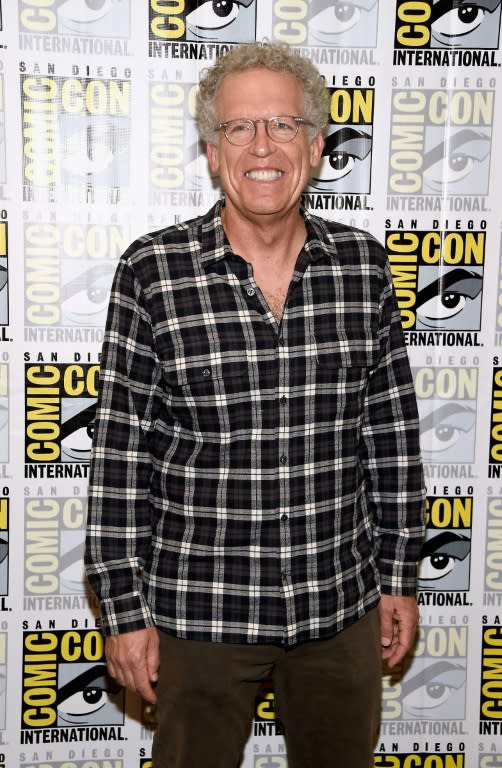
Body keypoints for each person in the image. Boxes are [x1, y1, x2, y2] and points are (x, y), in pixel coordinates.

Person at [85, 41, 426, 768]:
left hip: (340, 606)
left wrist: (398, 575)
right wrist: (121, 612)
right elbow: (119, 455)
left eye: (283, 124)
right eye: (240, 128)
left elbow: (391, 437)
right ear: (213, 151)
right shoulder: (153, 272)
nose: (262, 145)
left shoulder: (364, 268)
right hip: (198, 614)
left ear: (317, 143)